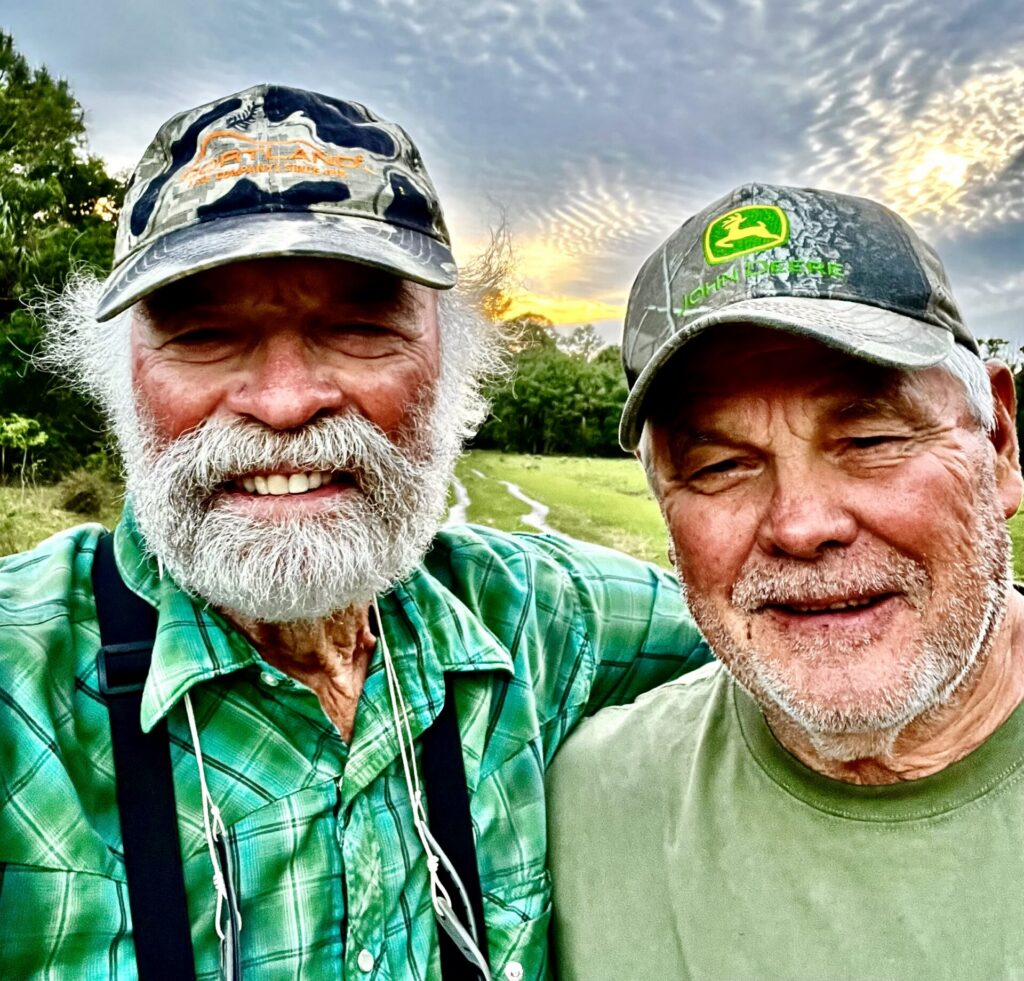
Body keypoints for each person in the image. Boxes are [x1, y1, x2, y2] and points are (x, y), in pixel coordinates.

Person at [0, 84, 713, 979]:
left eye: (359, 328)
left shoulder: (528, 619)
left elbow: (761, 618)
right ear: (122, 379)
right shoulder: (17, 685)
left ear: (454, 363)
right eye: (207, 335)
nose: (288, 399)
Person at [547, 183, 1024, 979]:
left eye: (870, 436)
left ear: (1000, 444)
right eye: (722, 465)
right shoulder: (587, 799)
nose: (800, 525)